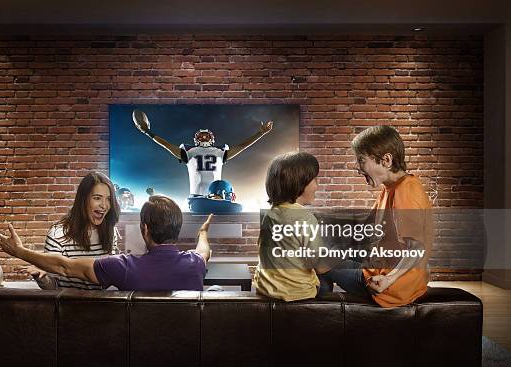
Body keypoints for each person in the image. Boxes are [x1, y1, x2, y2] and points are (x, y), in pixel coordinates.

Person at [0, 195, 213, 291]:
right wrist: (202, 232)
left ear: (145, 229)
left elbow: (64, 266)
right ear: (177, 229)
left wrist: (19, 251)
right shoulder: (195, 263)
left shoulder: (123, 267)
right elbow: (204, 250)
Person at [318, 125, 434, 307]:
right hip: (381, 267)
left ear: (386, 160)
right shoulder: (390, 188)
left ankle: (319, 315)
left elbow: (417, 248)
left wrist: (389, 279)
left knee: (318, 263)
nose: (357, 167)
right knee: (326, 251)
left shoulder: (407, 192)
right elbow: (365, 229)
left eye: (361, 160)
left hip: (386, 286)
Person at [133, 109, 273, 196]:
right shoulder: (190, 151)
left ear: (212, 139)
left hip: (216, 196)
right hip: (197, 197)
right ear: (195, 139)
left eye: (206, 136)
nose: (204, 138)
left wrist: (260, 133)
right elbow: (167, 145)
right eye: (201, 136)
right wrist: (148, 132)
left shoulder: (219, 151)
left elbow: (242, 146)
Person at [253, 152, 327, 302]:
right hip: (298, 293)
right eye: (315, 180)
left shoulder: (269, 216)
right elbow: (319, 265)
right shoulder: (306, 218)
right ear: (300, 184)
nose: (317, 186)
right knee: (327, 280)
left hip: (266, 289)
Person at [27, 172, 121, 290]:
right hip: (69, 306)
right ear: (83, 200)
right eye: (97, 198)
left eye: (108, 199)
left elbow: (109, 280)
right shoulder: (58, 234)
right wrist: (43, 279)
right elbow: (53, 287)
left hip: (102, 304)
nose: (104, 205)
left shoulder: (110, 231)